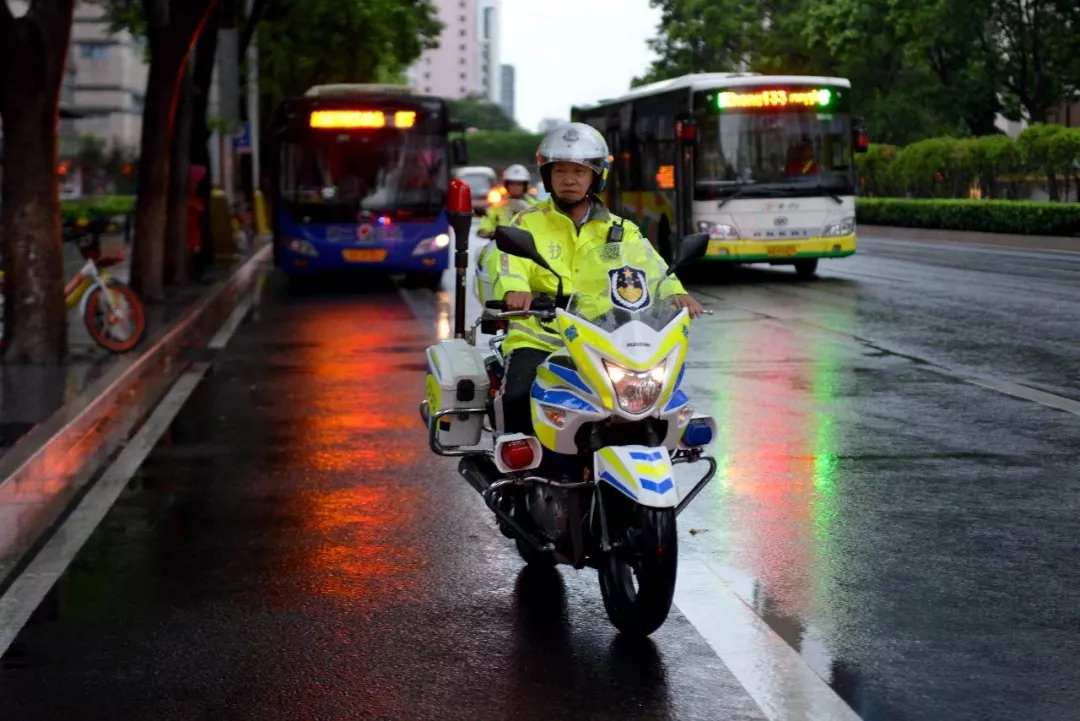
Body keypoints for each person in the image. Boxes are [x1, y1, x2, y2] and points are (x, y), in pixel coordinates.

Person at [492, 122, 705, 437]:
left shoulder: (621, 230)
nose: (569, 180)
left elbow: (653, 268)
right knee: (517, 396)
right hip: (539, 335)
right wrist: (516, 289)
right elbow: (509, 263)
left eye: (579, 172)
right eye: (560, 171)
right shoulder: (526, 222)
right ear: (547, 176)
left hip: (605, 337)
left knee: (654, 393)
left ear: (596, 176)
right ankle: (517, 475)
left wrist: (676, 292)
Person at [474, 164, 538, 304]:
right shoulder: (496, 207)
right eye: (513, 184)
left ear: (525, 186)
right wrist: (486, 231)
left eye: (519, 184)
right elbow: (485, 224)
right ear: (507, 185)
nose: (516, 187)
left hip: (526, 250)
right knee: (482, 258)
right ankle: (489, 299)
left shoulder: (535, 207)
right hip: (499, 248)